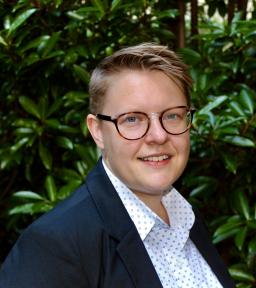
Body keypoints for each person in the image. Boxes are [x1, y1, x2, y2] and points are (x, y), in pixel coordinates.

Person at [0, 43, 235, 288]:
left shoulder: (188, 219)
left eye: (172, 115)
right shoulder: (54, 246)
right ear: (98, 131)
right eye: (132, 119)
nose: (158, 135)